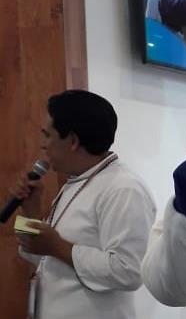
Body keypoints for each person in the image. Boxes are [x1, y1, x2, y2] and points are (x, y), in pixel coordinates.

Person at [10, 90, 156, 319]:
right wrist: (30, 212)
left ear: (73, 141)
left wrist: (57, 246)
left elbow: (129, 272)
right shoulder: (77, 181)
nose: (42, 145)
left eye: (47, 135)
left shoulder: (124, 189)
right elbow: (38, 256)